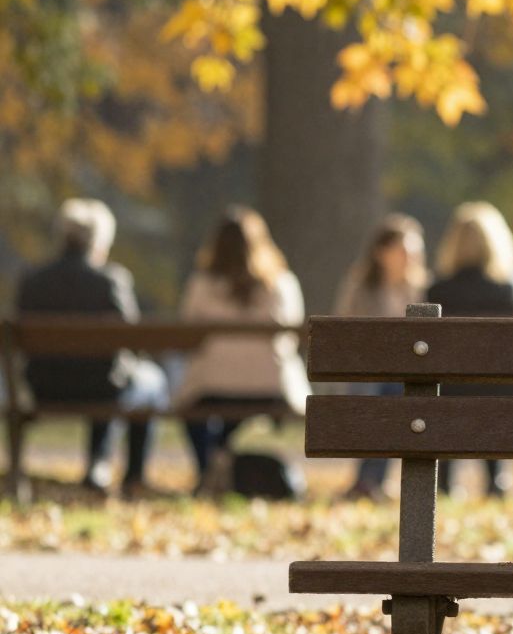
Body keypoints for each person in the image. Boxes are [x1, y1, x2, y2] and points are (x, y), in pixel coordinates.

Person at [11, 199, 170, 496]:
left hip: (44, 387)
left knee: (106, 377)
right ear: (99, 241)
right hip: (103, 388)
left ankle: (99, 463)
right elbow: (133, 339)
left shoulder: (32, 280)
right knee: (151, 381)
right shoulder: (110, 280)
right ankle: (130, 476)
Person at [172, 206, 309, 490]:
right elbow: (291, 338)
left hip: (212, 386)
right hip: (271, 386)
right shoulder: (280, 283)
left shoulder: (202, 284)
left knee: (193, 408)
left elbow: (188, 333)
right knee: (231, 408)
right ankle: (219, 465)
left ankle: (208, 469)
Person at [426, 202, 513, 498]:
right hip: (509, 398)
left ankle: (445, 484)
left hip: (449, 398)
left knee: (458, 393)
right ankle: (496, 481)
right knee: (496, 388)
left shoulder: (436, 292)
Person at [334, 215, 430, 501]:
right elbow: (345, 337)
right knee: (382, 394)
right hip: (369, 375)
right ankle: (370, 481)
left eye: (414, 252)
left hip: (407, 377)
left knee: (390, 395)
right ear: (381, 253)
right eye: (403, 251)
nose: (410, 258)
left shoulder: (423, 289)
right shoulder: (361, 288)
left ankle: (368, 481)